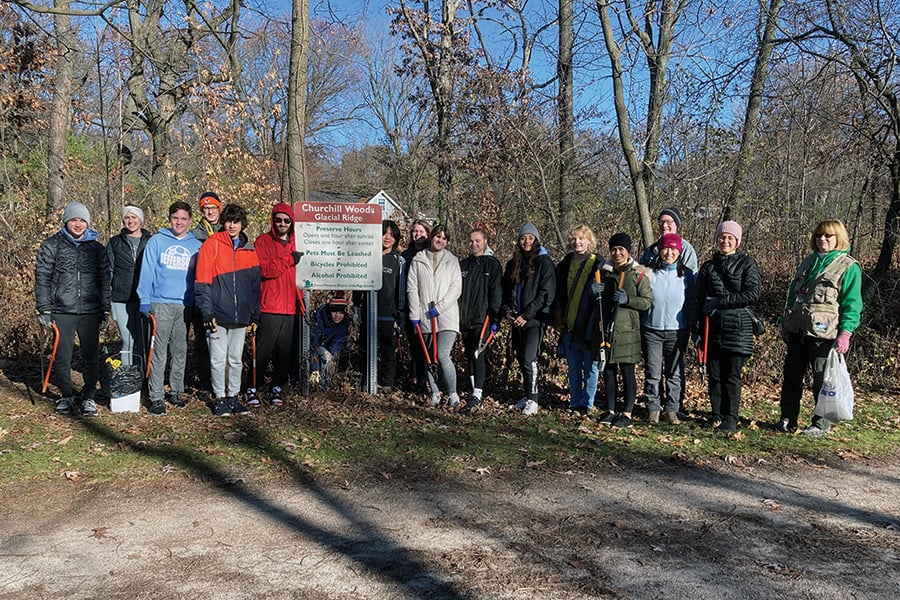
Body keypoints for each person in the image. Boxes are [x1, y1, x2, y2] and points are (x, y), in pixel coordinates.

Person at [775, 219, 862, 436]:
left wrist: (845, 333)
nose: (822, 239)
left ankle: (820, 423)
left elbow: (852, 303)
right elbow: (792, 295)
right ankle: (787, 418)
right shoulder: (808, 262)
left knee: (822, 379)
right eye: (818, 236)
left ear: (838, 238)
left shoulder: (848, 267)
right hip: (798, 330)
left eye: (828, 236)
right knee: (791, 377)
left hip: (826, 334)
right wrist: (785, 321)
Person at [35, 201, 111, 417]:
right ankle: (66, 395)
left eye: (82, 220)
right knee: (62, 356)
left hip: (90, 310)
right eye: (74, 220)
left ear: (87, 223)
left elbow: (105, 281)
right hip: (61, 310)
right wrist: (44, 308)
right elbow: (43, 278)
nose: (78, 224)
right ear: (66, 221)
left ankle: (88, 397)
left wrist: (105, 309)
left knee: (90, 356)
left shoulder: (97, 249)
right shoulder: (52, 245)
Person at [194, 204, 261, 417]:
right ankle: (220, 398)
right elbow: (201, 282)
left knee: (235, 359)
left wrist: (254, 316)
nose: (232, 225)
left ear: (242, 224)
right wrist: (206, 312)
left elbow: (255, 288)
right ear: (223, 222)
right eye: (229, 221)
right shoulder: (211, 245)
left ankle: (234, 397)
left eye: (236, 221)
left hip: (241, 315)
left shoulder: (249, 250)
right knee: (217, 358)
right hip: (217, 314)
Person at [694, 220, 761, 432]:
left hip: (738, 328)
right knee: (714, 375)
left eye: (730, 238)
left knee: (731, 376)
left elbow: (752, 293)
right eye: (722, 237)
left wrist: (720, 301)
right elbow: (698, 299)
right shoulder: (708, 266)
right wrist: (696, 329)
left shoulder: (747, 264)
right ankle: (716, 414)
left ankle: (731, 417)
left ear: (737, 241)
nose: (725, 241)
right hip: (712, 328)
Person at [137, 201, 202, 415]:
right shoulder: (157, 241)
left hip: (184, 305)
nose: (179, 222)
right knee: (158, 351)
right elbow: (146, 270)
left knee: (180, 350)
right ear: (170, 219)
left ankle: (176, 391)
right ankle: (156, 396)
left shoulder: (196, 245)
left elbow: (199, 277)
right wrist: (144, 298)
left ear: (189, 221)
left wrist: (197, 301)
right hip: (160, 302)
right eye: (176, 218)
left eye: (183, 219)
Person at [246, 202, 302, 408]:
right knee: (263, 351)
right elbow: (264, 270)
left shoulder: (298, 242)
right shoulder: (263, 241)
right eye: (278, 220)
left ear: (292, 222)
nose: (282, 223)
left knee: (284, 352)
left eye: (286, 220)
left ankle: (277, 386)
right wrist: (288, 260)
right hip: (269, 305)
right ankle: (252, 386)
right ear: (273, 220)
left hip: (290, 307)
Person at [598, 233, 652, 428]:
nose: (617, 253)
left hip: (629, 330)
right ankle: (611, 410)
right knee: (609, 370)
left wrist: (628, 300)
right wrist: (595, 292)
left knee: (627, 371)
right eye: (614, 249)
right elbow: (599, 301)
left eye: (621, 249)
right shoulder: (604, 272)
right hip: (608, 329)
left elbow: (647, 302)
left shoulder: (638, 274)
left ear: (628, 251)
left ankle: (627, 413)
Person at [502, 223, 556, 416]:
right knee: (519, 356)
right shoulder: (513, 263)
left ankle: (533, 399)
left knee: (529, 358)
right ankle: (526, 395)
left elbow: (546, 294)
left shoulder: (544, 263)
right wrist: (507, 310)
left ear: (536, 240)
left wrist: (527, 315)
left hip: (534, 319)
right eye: (523, 238)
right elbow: (506, 290)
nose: (526, 242)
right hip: (516, 319)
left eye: (530, 238)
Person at [642, 233, 696, 424]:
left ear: (680, 252)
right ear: (659, 250)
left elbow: (692, 303)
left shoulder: (688, 276)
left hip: (677, 330)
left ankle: (672, 409)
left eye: (674, 249)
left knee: (673, 372)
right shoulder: (649, 272)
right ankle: (653, 408)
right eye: (665, 248)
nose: (669, 252)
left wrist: (691, 325)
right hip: (651, 329)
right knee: (653, 372)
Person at [407, 225, 463, 407]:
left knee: (442, 354)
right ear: (431, 237)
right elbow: (412, 289)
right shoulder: (418, 260)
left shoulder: (452, 260)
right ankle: (435, 392)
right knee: (429, 356)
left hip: (446, 317)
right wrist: (414, 314)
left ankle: (453, 393)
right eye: (438, 236)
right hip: (424, 316)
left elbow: (456, 288)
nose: (440, 240)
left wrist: (439, 308)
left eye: (444, 238)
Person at [552, 225, 604, 414]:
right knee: (573, 368)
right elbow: (558, 294)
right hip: (570, 325)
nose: (577, 242)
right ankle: (574, 402)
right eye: (574, 239)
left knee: (591, 368)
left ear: (589, 241)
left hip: (589, 325)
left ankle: (587, 404)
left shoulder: (598, 264)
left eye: (581, 238)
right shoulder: (564, 264)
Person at [458, 227, 503, 412]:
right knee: (469, 353)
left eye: (477, 241)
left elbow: (496, 292)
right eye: (471, 241)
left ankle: (478, 392)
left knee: (478, 353)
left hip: (482, 318)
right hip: (464, 318)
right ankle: (472, 388)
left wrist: (495, 316)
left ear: (484, 242)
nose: (474, 244)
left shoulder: (492, 264)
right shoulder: (463, 265)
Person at [107, 205, 151, 367]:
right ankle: (127, 378)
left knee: (143, 341)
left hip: (145, 299)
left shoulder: (151, 241)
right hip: (121, 299)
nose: (131, 221)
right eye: (127, 217)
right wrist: (106, 297)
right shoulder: (114, 243)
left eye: (134, 217)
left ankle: (142, 379)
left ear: (140, 219)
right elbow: (108, 271)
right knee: (127, 340)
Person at [189, 191, 223, 397]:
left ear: (219, 209)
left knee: (221, 340)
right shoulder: (195, 235)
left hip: (223, 293)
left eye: (213, 208)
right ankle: (204, 381)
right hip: (201, 292)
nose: (210, 211)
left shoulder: (228, 230)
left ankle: (221, 380)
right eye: (206, 209)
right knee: (202, 341)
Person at [399, 219, 431, 391]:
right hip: (408, 308)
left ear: (427, 234)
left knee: (427, 346)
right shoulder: (405, 256)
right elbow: (402, 283)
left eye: (421, 231)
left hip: (427, 308)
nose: (418, 235)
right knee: (414, 346)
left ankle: (427, 379)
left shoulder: (431, 254)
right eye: (415, 232)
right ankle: (414, 378)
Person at [375, 220, 404, 392]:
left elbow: (401, 288)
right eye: (384, 233)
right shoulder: (368, 256)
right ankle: (367, 381)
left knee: (388, 351)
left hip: (388, 314)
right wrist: (357, 306)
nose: (387, 237)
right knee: (366, 350)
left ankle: (386, 384)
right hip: (368, 313)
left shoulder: (398, 261)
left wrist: (400, 312)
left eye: (391, 235)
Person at [309, 295, 351, 388]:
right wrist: (314, 368)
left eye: (341, 313)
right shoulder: (319, 317)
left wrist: (333, 359)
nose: (337, 316)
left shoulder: (344, 323)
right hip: (315, 347)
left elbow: (337, 344)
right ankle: (315, 386)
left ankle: (325, 387)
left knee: (328, 358)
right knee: (324, 357)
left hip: (327, 349)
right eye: (334, 312)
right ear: (329, 312)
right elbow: (313, 342)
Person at [640, 207, 699, 273]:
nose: (664, 225)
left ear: (676, 224)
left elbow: (692, 278)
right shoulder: (650, 251)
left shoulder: (686, 249)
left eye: (668, 222)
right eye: (661, 222)